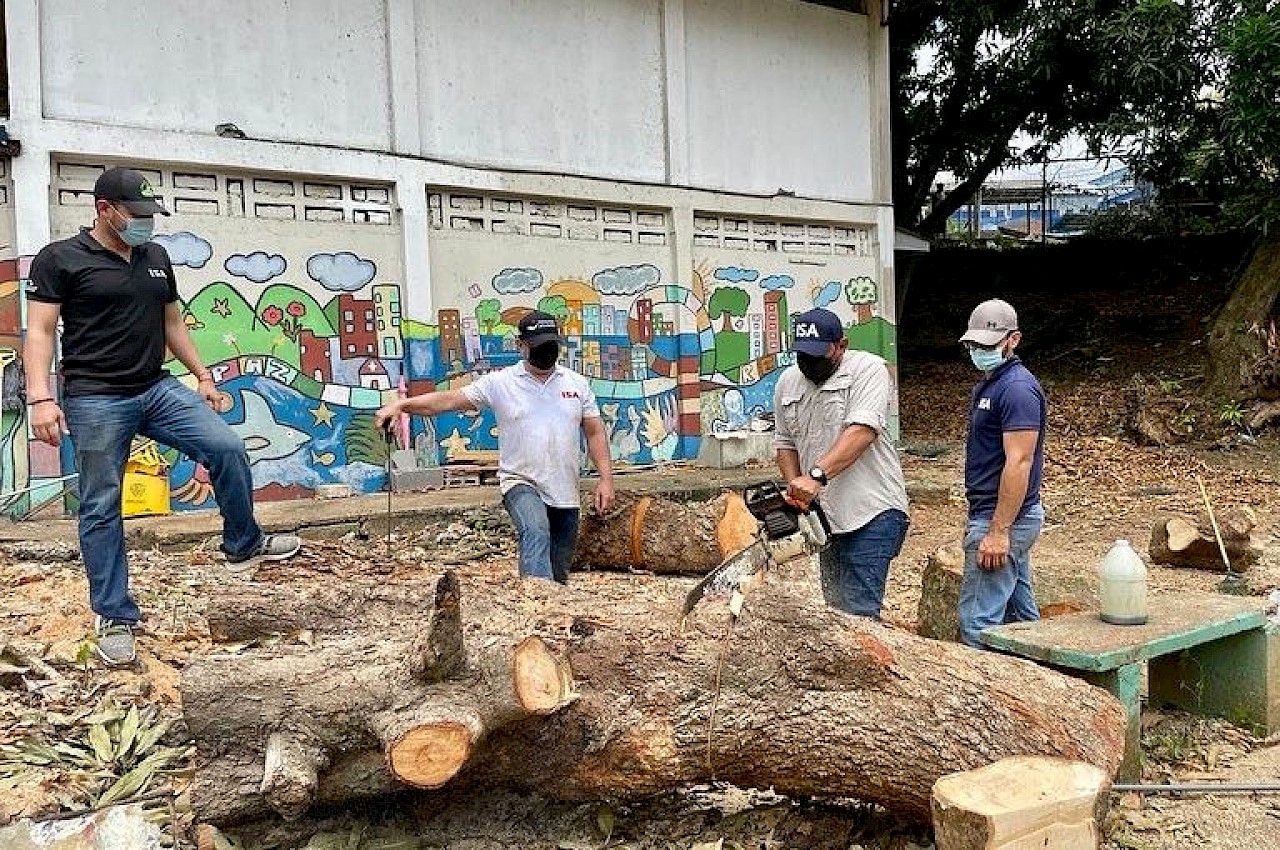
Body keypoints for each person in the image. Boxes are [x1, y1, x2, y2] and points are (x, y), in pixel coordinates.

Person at [23, 167, 301, 666]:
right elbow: (40, 331)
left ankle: (243, 542)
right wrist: (41, 398)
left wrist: (204, 376)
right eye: (136, 215)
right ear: (104, 209)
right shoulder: (60, 258)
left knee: (227, 448)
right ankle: (114, 614)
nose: (145, 224)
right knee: (102, 504)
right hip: (95, 397)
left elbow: (171, 320)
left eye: (150, 215)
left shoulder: (155, 257)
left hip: (156, 387)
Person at [375, 310, 614, 583]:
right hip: (520, 482)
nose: (546, 351)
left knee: (558, 571)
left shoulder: (576, 384)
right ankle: (537, 605)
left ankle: (547, 614)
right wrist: (401, 405)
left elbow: (595, 432)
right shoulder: (501, 383)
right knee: (535, 531)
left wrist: (605, 480)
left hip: (565, 490)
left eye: (551, 345)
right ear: (520, 345)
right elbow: (447, 400)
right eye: (538, 345)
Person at [773, 308, 909, 618]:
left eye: (818, 354)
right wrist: (795, 487)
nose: (809, 362)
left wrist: (815, 477)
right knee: (835, 614)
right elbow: (784, 442)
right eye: (803, 354)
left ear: (841, 345)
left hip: (872, 511)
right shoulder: (788, 382)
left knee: (859, 616)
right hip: (827, 517)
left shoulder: (869, 370)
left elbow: (862, 432)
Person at [957, 298, 1047, 648]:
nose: (979, 351)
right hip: (1000, 514)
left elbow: (1019, 462)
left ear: (1013, 340)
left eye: (988, 344)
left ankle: (978, 699)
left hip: (1004, 518)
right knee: (1021, 619)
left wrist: (998, 531)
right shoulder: (993, 383)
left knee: (978, 621)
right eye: (974, 344)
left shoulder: (1017, 389)